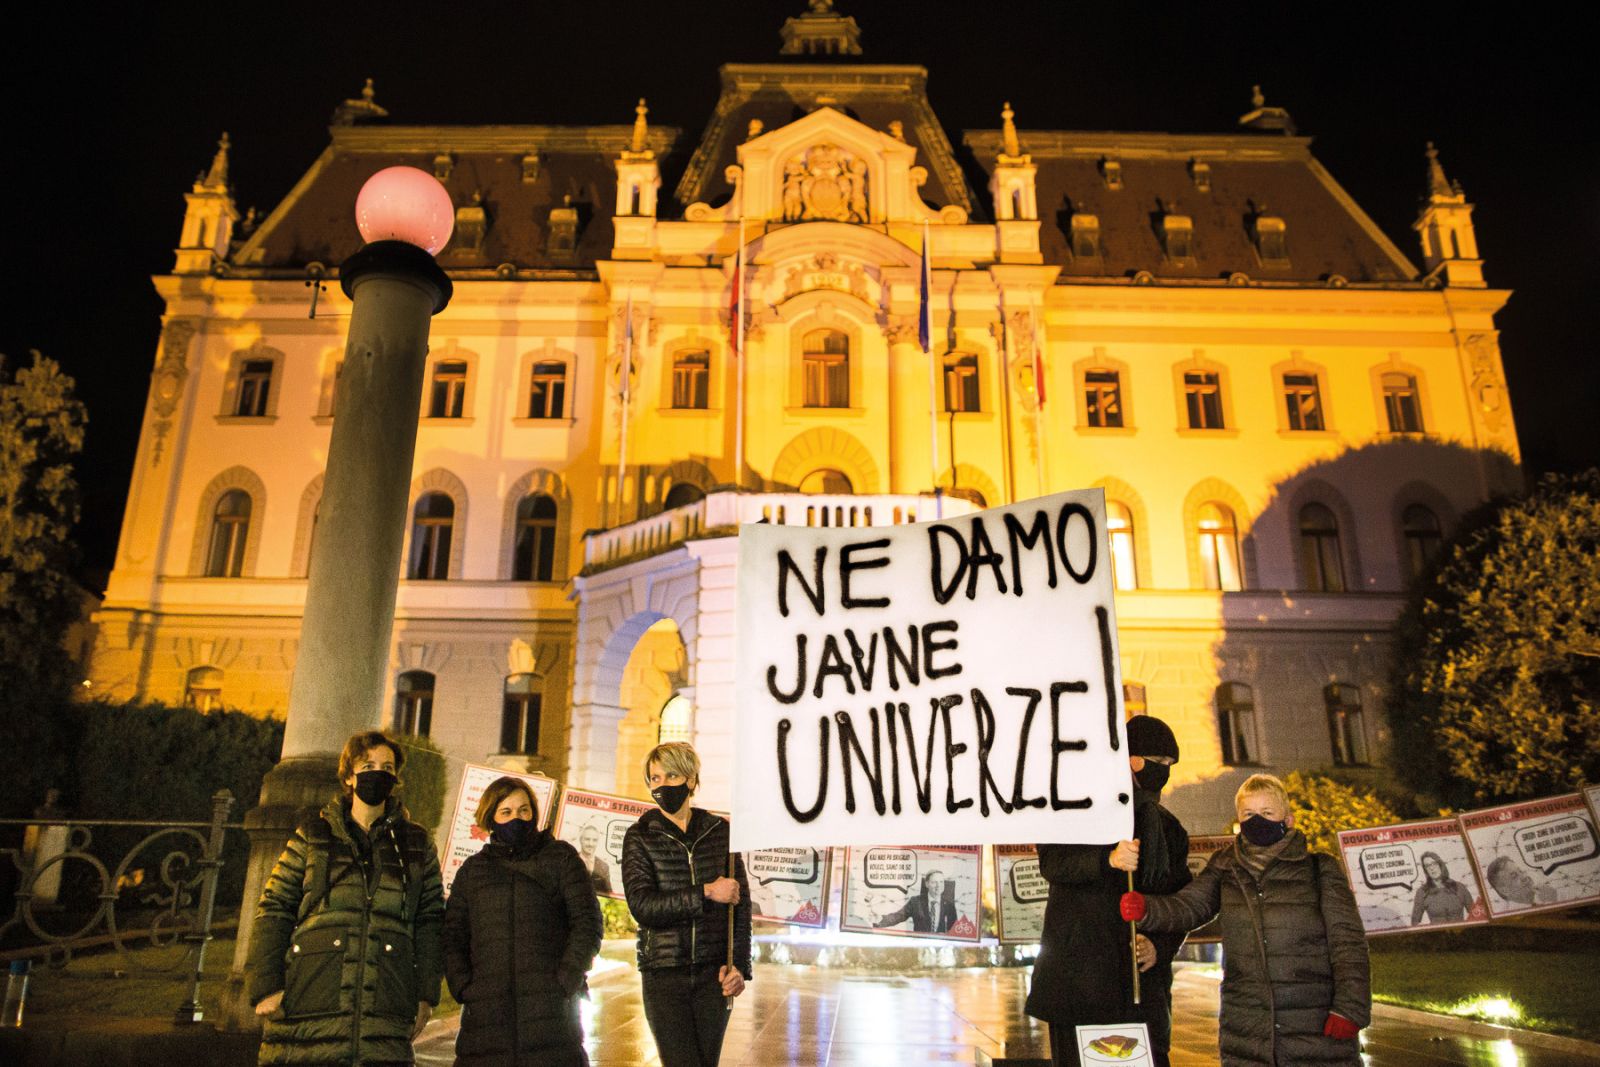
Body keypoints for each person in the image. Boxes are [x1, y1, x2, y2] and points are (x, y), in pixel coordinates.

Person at [1121, 773, 1370, 1067]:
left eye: (1267, 813)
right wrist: (1148, 909)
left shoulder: (1319, 870)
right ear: (1239, 819)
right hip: (1248, 1026)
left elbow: (1348, 943)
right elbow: (1190, 905)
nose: (1258, 820)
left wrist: (1350, 1009)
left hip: (1313, 1024)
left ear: (1287, 820)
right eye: (1249, 814)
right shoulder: (1226, 866)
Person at [248, 730, 444, 1065]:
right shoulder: (313, 834)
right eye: (368, 764)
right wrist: (266, 986)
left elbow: (430, 919)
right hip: (314, 995)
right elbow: (275, 907)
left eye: (387, 766)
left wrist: (426, 994)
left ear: (395, 778)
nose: (378, 772)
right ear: (349, 775)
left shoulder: (416, 843)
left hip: (384, 999)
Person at [1025, 714, 1192, 1067]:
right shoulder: (1077, 809)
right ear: (1130, 758)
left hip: (1140, 989)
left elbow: (1182, 903)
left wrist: (1159, 947)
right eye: (1158, 761)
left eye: (1169, 765)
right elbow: (1054, 863)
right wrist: (1108, 859)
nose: (1164, 771)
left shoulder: (1167, 828)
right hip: (1080, 982)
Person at [443, 776, 602, 1066]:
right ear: (490, 817)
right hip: (486, 1023)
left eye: (524, 810)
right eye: (506, 812)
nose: (517, 818)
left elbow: (587, 923)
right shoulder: (473, 872)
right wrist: (464, 986)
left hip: (551, 1019)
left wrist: (566, 979)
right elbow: (453, 935)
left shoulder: (560, 858)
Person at [621, 742, 752, 1067]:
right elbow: (643, 905)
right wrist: (705, 892)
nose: (662, 785)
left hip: (713, 976)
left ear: (691, 780)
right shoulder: (641, 836)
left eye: (672, 775)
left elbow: (742, 906)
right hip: (664, 977)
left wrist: (739, 968)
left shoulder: (720, 832)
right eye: (654, 778)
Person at [872, 870, 956, 933]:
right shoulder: (915, 902)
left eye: (941, 882)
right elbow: (898, 916)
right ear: (927, 884)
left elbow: (955, 930)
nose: (939, 886)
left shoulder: (950, 906)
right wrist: (879, 920)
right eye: (934, 882)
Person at [1410, 852, 1475, 924]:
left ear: (1440, 865)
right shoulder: (1422, 892)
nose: (1431, 868)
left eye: (1434, 863)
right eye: (1427, 866)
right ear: (1425, 870)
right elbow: (1414, 922)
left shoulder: (1460, 887)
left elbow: (1476, 915)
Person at [1484, 855, 1557, 907]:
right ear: (1504, 890)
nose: (1524, 877)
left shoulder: (1543, 898)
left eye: (1521, 871)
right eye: (1514, 876)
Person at [577, 823, 613, 895]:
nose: (590, 844)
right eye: (587, 839)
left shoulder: (604, 867)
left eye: (594, 840)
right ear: (580, 840)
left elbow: (608, 894)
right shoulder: (569, 861)